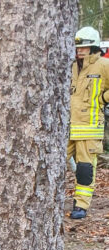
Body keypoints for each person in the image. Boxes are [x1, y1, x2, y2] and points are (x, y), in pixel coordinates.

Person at [68, 26, 109, 219]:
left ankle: (81, 206)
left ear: (93, 47)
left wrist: (103, 99)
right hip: (67, 127)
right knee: (49, 163)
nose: (79, 50)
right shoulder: (71, 65)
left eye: (84, 47)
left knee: (85, 169)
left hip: (90, 128)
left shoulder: (103, 65)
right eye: (77, 47)